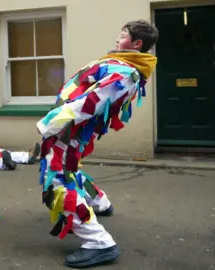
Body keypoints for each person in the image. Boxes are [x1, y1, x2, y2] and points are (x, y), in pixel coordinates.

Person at [36, 20, 158, 268]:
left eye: (123, 35)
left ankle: (99, 242)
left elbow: (92, 101)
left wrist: (51, 123)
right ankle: (99, 201)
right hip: (72, 128)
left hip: (70, 129)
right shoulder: (123, 65)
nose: (117, 39)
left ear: (136, 43)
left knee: (57, 178)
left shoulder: (126, 73)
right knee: (70, 168)